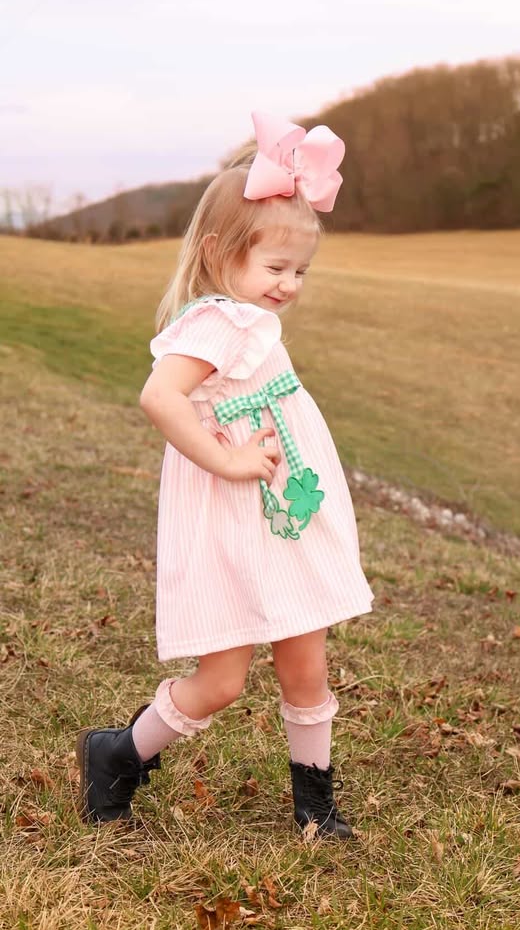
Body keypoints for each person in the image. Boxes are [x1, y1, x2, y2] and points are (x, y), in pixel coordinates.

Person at [76, 112, 373, 839]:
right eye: (276, 268)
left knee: (307, 660)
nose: (290, 285)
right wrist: (227, 458)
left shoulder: (248, 320)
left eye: (300, 271)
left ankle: (315, 805)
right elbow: (158, 396)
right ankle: (117, 753)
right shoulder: (215, 322)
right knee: (223, 681)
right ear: (219, 252)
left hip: (285, 515)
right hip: (234, 518)